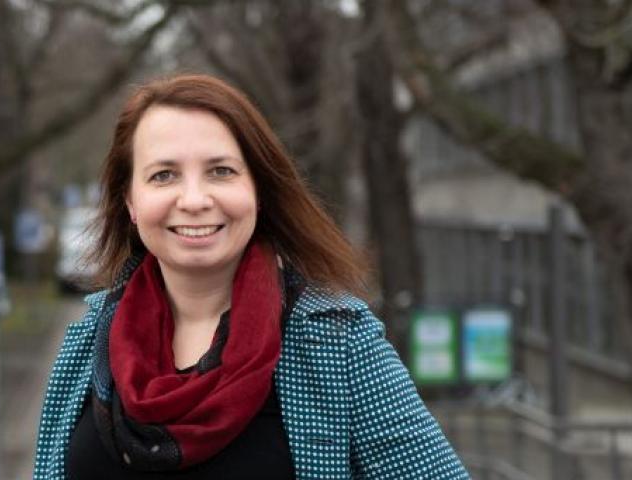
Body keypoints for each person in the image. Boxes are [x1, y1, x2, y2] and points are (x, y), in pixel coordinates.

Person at [32, 74, 467, 479]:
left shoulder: (337, 343)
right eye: (164, 175)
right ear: (130, 201)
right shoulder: (89, 342)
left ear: (258, 190)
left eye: (221, 171)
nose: (195, 199)